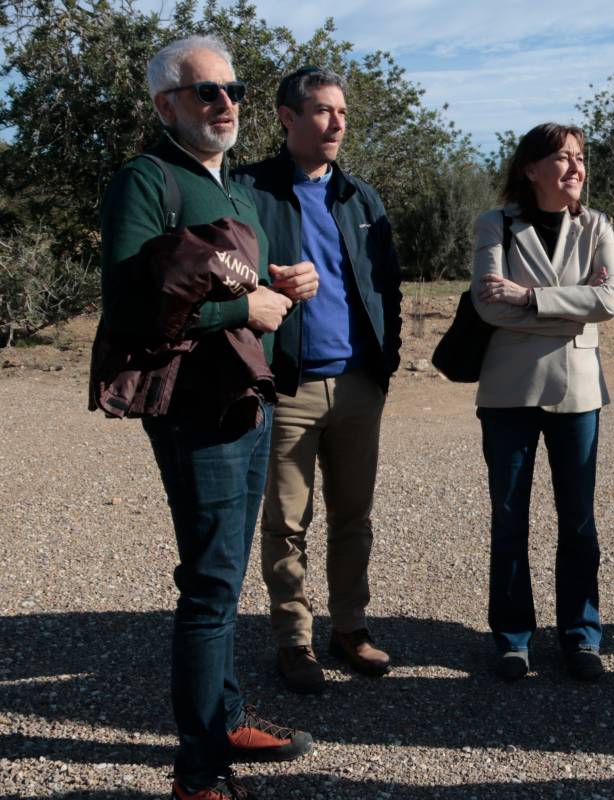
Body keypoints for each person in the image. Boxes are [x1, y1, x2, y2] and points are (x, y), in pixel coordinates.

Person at [98, 36, 311, 800]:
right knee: (212, 585)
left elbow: (234, 279)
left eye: (234, 90)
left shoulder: (237, 189)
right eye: (205, 93)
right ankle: (198, 771)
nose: (225, 104)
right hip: (193, 406)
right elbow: (128, 309)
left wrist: (286, 284)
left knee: (221, 572)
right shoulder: (146, 179)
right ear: (166, 105)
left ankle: (224, 720)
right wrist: (241, 305)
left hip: (244, 396)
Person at [234, 66, 402, 694]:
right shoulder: (247, 189)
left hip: (359, 385)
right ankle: (295, 640)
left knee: (354, 517)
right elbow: (219, 270)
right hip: (287, 386)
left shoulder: (360, 198)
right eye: (324, 112)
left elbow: (388, 287)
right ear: (286, 117)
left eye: (343, 114)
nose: (337, 124)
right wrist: (268, 287)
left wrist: (384, 365)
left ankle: (351, 627)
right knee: (286, 522)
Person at [471, 122, 614, 682]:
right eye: (563, 158)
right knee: (509, 519)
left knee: (578, 521)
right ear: (531, 168)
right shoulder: (495, 224)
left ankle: (582, 636)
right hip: (509, 391)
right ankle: (512, 638)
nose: (576, 168)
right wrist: (570, 309)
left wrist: (529, 298)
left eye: (580, 157)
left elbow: (610, 300)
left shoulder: (597, 225)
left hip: (579, 393)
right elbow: (489, 306)